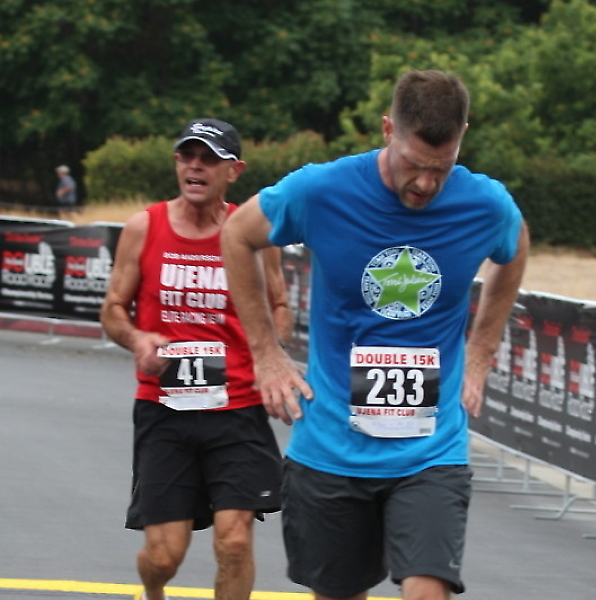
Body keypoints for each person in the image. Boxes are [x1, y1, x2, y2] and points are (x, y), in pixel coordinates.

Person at [221, 70, 529, 600]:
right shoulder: (322, 191)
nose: (425, 184)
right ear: (388, 129)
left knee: (427, 590)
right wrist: (266, 353)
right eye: (414, 164)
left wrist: (481, 351)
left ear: (462, 136)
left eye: (441, 167)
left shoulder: (485, 204)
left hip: (431, 450)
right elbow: (236, 235)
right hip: (331, 446)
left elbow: (514, 247)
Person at [100, 118, 291, 600]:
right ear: (176, 163)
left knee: (234, 541)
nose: (196, 166)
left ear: (234, 171)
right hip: (165, 409)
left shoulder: (253, 232)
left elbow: (280, 305)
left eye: (209, 158)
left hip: (238, 409)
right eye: (187, 156)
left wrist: (270, 356)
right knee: (164, 556)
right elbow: (113, 308)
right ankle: (153, 593)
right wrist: (137, 338)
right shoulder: (144, 227)